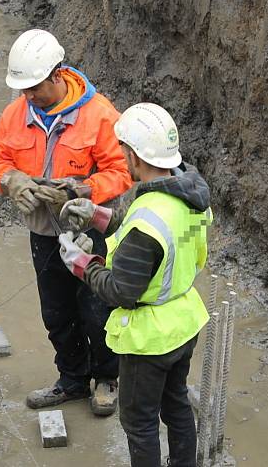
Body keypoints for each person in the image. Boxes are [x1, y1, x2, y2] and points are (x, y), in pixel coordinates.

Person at [57, 103, 212, 467]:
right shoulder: (190, 195)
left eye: (124, 151)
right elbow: (155, 239)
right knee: (176, 406)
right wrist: (100, 216)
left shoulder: (149, 218)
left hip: (151, 339)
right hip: (183, 321)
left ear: (134, 155)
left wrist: (83, 265)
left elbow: (120, 291)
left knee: (139, 422)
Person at [0, 29, 132, 415]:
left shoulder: (99, 115)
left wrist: (82, 191)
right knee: (56, 312)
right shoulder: (16, 114)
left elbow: (122, 172)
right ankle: (71, 380)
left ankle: (105, 378)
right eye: (23, 89)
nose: (28, 96)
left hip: (88, 234)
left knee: (95, 310)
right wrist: (10, 180)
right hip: (43, 232)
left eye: (34, 87)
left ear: (57, 74)